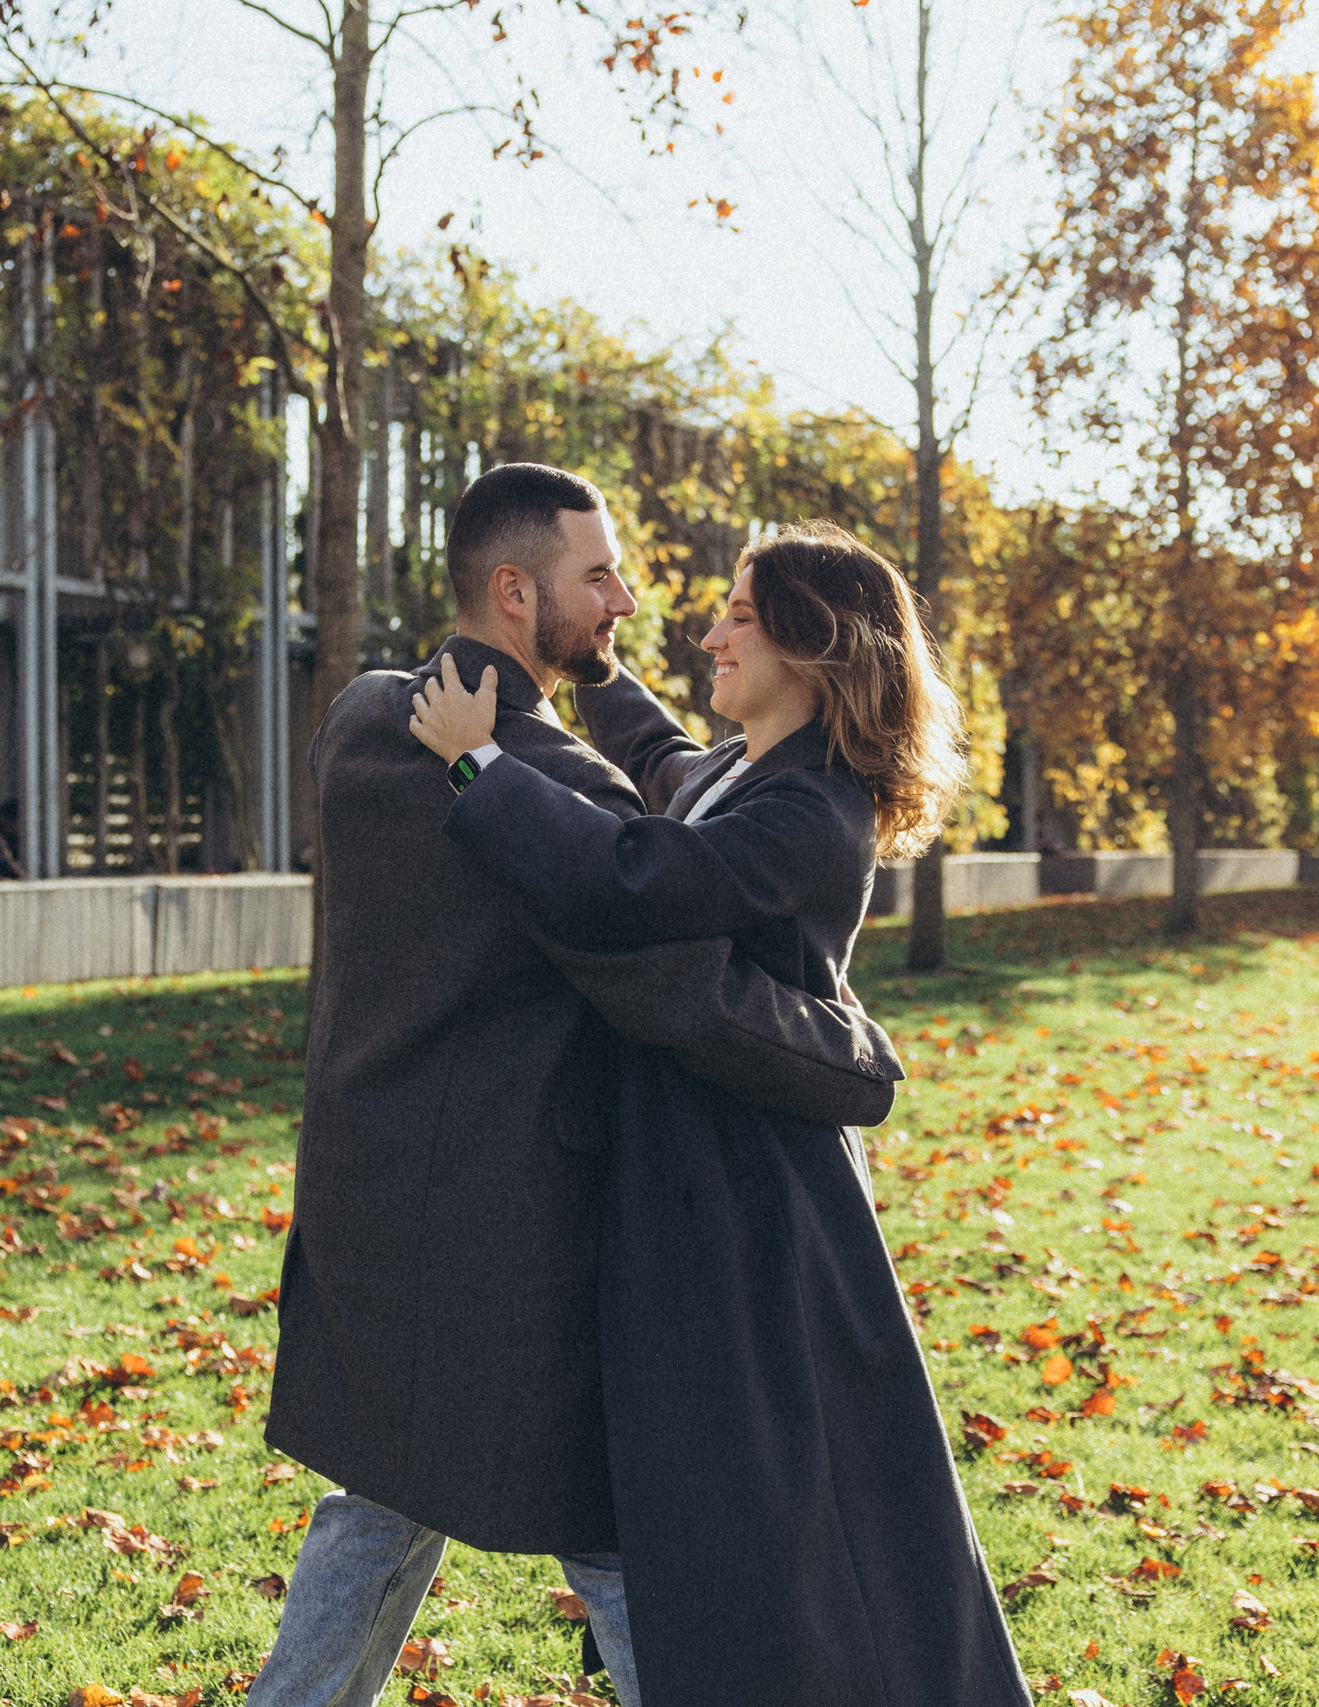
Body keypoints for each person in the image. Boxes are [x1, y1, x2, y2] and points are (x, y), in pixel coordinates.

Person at [253, 466, 905, 1707]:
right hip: (518, 1216)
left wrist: (598, 681)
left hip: (369, 1188)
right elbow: (685, 990)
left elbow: (659, 764)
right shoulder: (541, 790)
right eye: (599, 576)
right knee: (605, 1522)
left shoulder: (362, 720)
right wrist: (854, 1058)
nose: (630, 597)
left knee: (387, 1498)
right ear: (515, 591)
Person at [409, 520, 1034, 1707]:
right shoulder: (749, 772)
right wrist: (600, 671)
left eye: (739, 616)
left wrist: (475, 767)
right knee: (735, 1491)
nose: (711, 633)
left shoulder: (814, 813)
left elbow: (642, 879)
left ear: (814, 641)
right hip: (695, 1173)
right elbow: (661, 761)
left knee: (786, 1496)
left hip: (754, 1200)